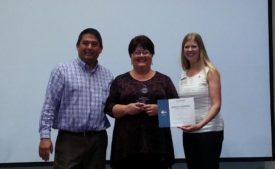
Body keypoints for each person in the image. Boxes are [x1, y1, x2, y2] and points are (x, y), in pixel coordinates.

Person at [38, 28, 114, 169]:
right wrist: (45, 136)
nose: (89, 47)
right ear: (77, 46)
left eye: (94, 44)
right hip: (69, 141)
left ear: (101, 49)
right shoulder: (62, 70)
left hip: (98, 141)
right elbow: (49, 105)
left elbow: (111, 106)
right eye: (85, 43)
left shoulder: (107, 75)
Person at [104, 35, 178, 169]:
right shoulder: (120, 80)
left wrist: (160, 110)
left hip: (158, 147)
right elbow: (109, 107)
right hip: (126, 148)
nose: (141, 55)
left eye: (146, 52)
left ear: (152, 55)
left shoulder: (164, 80)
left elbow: (178, 110)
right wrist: (126, 109)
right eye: (137, 52)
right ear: (130, 56)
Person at [178, 32, 224, 169]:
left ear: (201, 49)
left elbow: (216, 105)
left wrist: (200, 125)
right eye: (186, 47)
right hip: (189, 131)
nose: (190, 50)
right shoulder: (183, 74)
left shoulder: (210, 71)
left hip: (209, 130)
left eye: (193, 46)